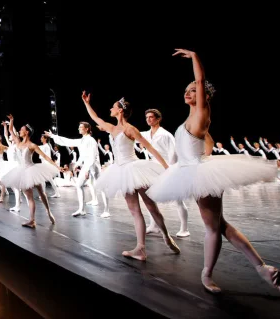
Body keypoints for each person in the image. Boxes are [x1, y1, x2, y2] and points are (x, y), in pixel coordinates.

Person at [147, 49, 280, 298]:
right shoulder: (192, 117)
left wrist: (194, 57)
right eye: (187, 89)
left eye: (193, 90)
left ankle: (207, 273)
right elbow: (207, 142)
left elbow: (202, 81)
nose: (188, 92)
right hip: (190, 170)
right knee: (220, 225)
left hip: (198, 173)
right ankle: (263, 269)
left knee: (213, 228)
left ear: (203, 96)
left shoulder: (202, 112)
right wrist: (201, 156)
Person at [80, 91, 180, 261]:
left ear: (120, 110)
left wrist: (166, 166)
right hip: (120, 171)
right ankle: (141, 248)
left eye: (113, 106)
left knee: (150, 205)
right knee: (134, 210)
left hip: (134, 168)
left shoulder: (129, 129)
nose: (111, 108)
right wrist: (86, 103)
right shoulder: (112, 128)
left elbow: (149, 147)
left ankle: (166, 236)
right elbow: (96, 118)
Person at [139, 109, 190, 238]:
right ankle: (154, 225)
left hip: (168, 167)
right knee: (150, 197)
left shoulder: (166, 134)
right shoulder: (146, 134)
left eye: (151, 117)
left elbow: (173, 153)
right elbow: (130, 134)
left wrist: (170, 170)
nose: (148, 119)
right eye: (147, 117)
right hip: (154, 167)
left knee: (178, 199)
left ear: (158, 119)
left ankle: (184, 228)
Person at [0, 123, 58, 228]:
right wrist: (11, 121)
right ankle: (32, 220)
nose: (20, 131)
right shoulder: (18, 143)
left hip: (32, 170)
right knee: (30, 197)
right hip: (21, 172)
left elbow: (44, 156)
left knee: (42, 192)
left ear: (27, 132)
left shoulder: (32, 145)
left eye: (22, 130)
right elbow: (11, 130)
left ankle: (48, 212)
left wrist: (56, 166)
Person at [45, 121, 109, 218]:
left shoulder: (91, 140)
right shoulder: (81, 140)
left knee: (101, 187)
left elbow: (92, 157)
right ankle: (82, 209)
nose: (78, 129)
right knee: (79, 184)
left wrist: (87, 169)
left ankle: (106, 210)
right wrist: (53, 136)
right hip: (86, 165)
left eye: (80, 127)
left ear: (86, 129)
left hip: (94, 165)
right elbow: (68, 142)